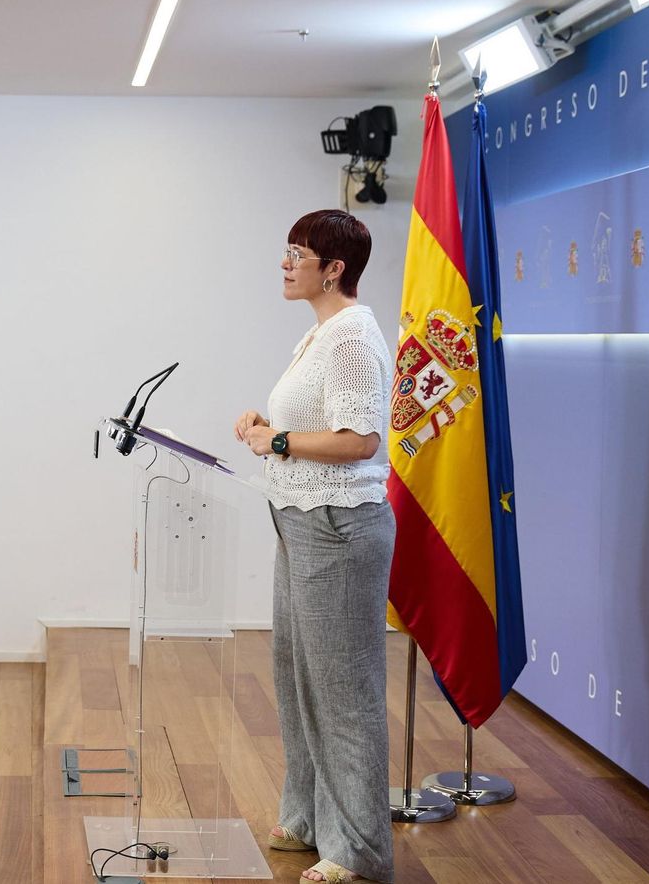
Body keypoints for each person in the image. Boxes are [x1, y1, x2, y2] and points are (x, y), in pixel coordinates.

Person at [232, 209, 395, 884]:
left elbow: (360, 441)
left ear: (334, 269)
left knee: (343, 691)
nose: (285, 263)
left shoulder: (353, 336)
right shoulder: (322, 335)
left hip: (338, 527)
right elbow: (314, 426)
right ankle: (306, 817)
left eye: (297, 253)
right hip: (300, 520)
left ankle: (357, 852)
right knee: (298, 679)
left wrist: (275, 440)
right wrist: (269, 427)